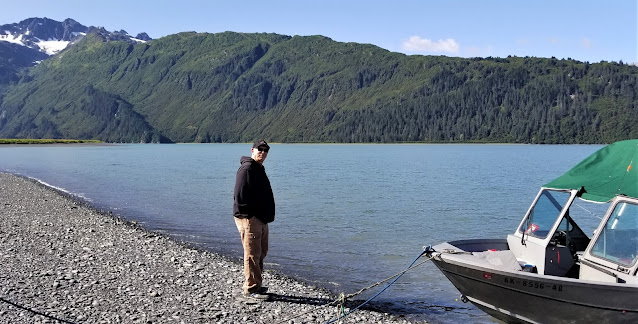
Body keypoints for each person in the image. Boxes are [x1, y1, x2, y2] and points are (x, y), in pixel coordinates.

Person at [233, 139, 275, 301]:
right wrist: (249, 216)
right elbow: (239, 194)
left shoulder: (258, 168)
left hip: (261, 218)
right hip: (250, 219)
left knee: (261, 252)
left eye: (266, 150)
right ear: (252, 150)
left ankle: (257, 283)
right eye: (260, 149)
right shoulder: (247, 168)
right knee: (252, 253)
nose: (263, 153)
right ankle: (251, 289)